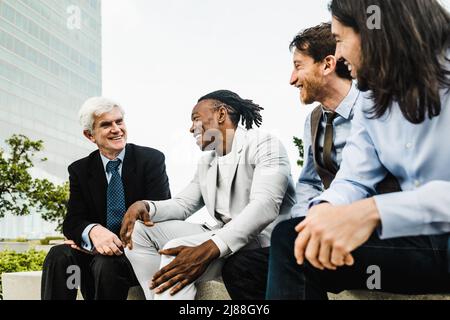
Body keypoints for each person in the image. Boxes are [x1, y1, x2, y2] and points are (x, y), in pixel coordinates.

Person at [267, 0, 450, 300]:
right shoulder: (371, 102)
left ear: (375, 31)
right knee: (291, 239)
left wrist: (374, 212)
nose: (338, 54)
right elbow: (353, 179)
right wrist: (323, 213)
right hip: (419, 239)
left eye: (339, 40)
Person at [222, 23, 398, 300]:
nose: (292, 79)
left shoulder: (381, 106)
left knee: (290, 243)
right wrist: (304, 228)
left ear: (327, 64)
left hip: (390, 233)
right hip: (340, 235)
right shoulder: (315, 121)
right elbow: (310, 183)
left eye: (298, 66)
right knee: (243, 267)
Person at [120, 90, 296, 300]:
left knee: (174, 250)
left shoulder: (265, 144)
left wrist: (210, 247)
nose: (190, 128)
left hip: (263, 243)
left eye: (196, 119)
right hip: (223, 235)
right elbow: (183, 204)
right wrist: (146, 206)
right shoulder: (207, 162)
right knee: (139, 232)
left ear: (221, 114)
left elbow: (265, 206)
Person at [41, 97, 171, 300]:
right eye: (106, 124)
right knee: (60, 256)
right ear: (89, 135)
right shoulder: (80, 170)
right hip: (93, 254)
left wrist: (114, 243)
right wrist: (92, 232)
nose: (117, 129)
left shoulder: (151, 160)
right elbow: (73, 221)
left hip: (135, 254)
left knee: (107, 263)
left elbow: (160, 213)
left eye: (119, 121)